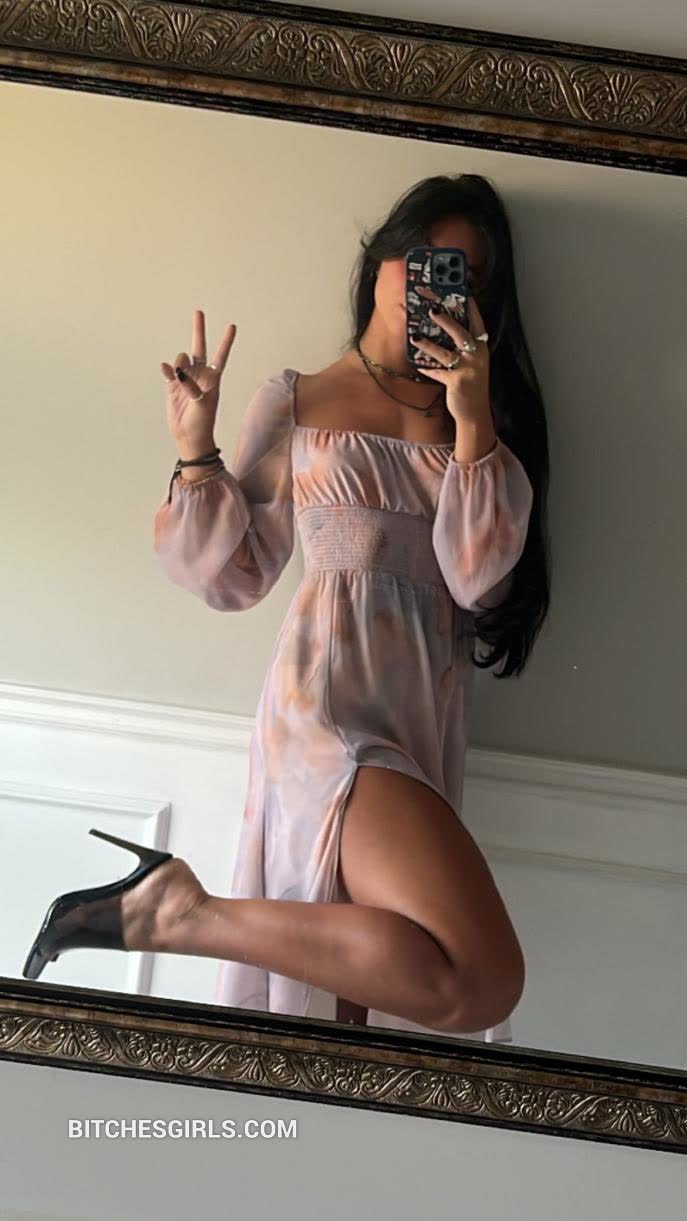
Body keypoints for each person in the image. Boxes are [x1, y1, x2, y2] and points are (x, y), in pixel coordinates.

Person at [23, 174, 550, 1043]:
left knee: (410, 993)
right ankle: (181, 912)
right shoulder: (299, 398)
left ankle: (179, 911)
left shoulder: (478, 421)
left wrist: (472, 422)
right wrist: (195, 448)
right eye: (424, 258)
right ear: (382, 258)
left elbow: (475, 582)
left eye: (464, 274)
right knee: (482, 977)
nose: (434, 284)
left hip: (418, 718)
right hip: (323, 710)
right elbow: (233, 576)